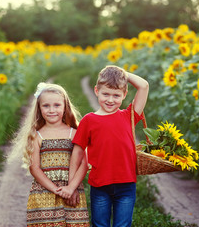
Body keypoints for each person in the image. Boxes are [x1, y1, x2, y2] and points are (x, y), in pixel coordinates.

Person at [59, 65, 149, 227]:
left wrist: (122, 74)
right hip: (100, 186)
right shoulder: (89, 120)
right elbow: (78, 153)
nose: (110, 100)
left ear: (124, 95)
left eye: (116, 95)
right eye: (105, 94)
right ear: (96, 91)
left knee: (122, 225)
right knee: (100, 225)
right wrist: (71, 184)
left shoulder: (129, 116)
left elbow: (144, 86)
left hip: (126, 185)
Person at [12, 82, 90, 227]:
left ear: (65, 106)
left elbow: (84, 163)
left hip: (71, 192)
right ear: (39, 108)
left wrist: (71, 188)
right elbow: (34, 168)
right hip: (44, 193)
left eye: (57, 105)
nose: (51, 110)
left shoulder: (75, 133)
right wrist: (57, 190)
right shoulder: (37, 136)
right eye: (46, 106)